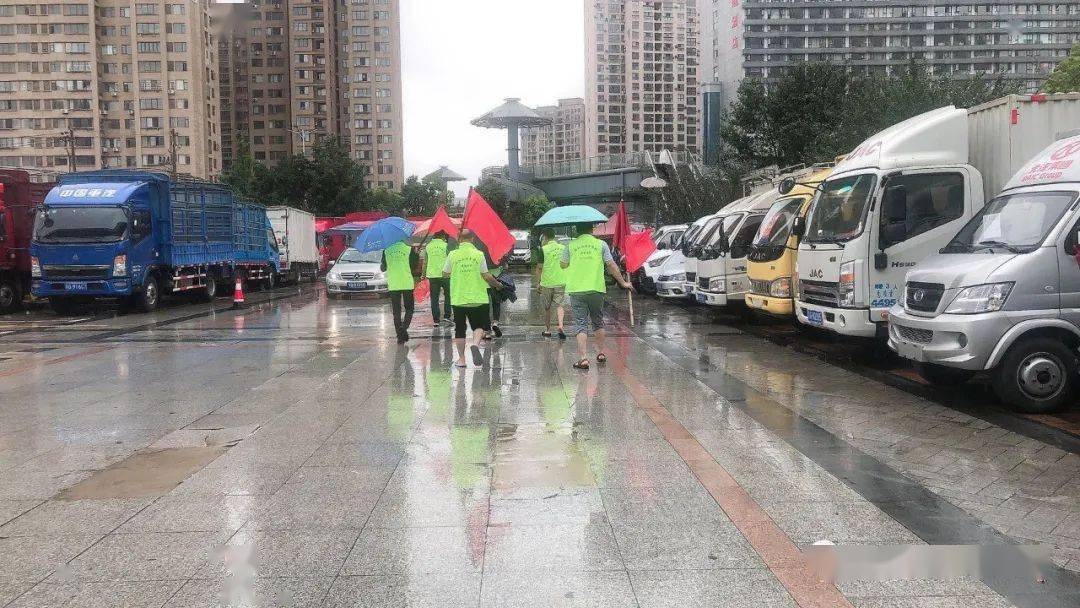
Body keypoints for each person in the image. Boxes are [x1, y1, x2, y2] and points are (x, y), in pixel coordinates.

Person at [561, 223, 633, 370]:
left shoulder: (570, 245)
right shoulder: (601, 245)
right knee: (598, 322)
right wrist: (623, 282)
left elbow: (563, 264)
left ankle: (583, 359)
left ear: (577, 230)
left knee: (581, 323)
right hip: (596, 289)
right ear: (592, 229)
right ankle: (600, 353)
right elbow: (611, 265)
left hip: (577, 290)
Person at [444, 230, 504, 367]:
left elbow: (445, 273)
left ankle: (462, 360)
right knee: (479, 326)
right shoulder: (479, 254)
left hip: (459, 298)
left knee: (460, 329)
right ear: (472, 239)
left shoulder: (452, 255)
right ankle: (475, 345)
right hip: (478, 297)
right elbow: (486, 276)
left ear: (459, 240)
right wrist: (498, 285)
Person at [382, 240, 419, 344]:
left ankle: (399, 336)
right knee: (409, 309)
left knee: (396, 311)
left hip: (393, 284)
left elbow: (383, 267)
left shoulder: (386, 251)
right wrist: (415, 256)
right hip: (406, 283)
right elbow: (413, 266)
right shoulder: (408, 249)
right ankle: (404, 327)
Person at [533, 229, 567, 339]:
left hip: (546, 283)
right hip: (560, 281)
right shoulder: (563, 248)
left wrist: (538, 283)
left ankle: (548, 330)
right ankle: (561, 326)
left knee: (547, 307)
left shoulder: (543, 249)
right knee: (559, 305)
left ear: (545, 237)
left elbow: (539, 267)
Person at [421, 231, 453, 326]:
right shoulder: (446, 245)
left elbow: (425, 262)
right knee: (448, 295)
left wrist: (423, 274)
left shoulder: (428, 246)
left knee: (434, 298)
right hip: (445, 275)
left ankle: (436, 320)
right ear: (443, 236)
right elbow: (451, 260)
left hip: (432, 276)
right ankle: (447, 317)